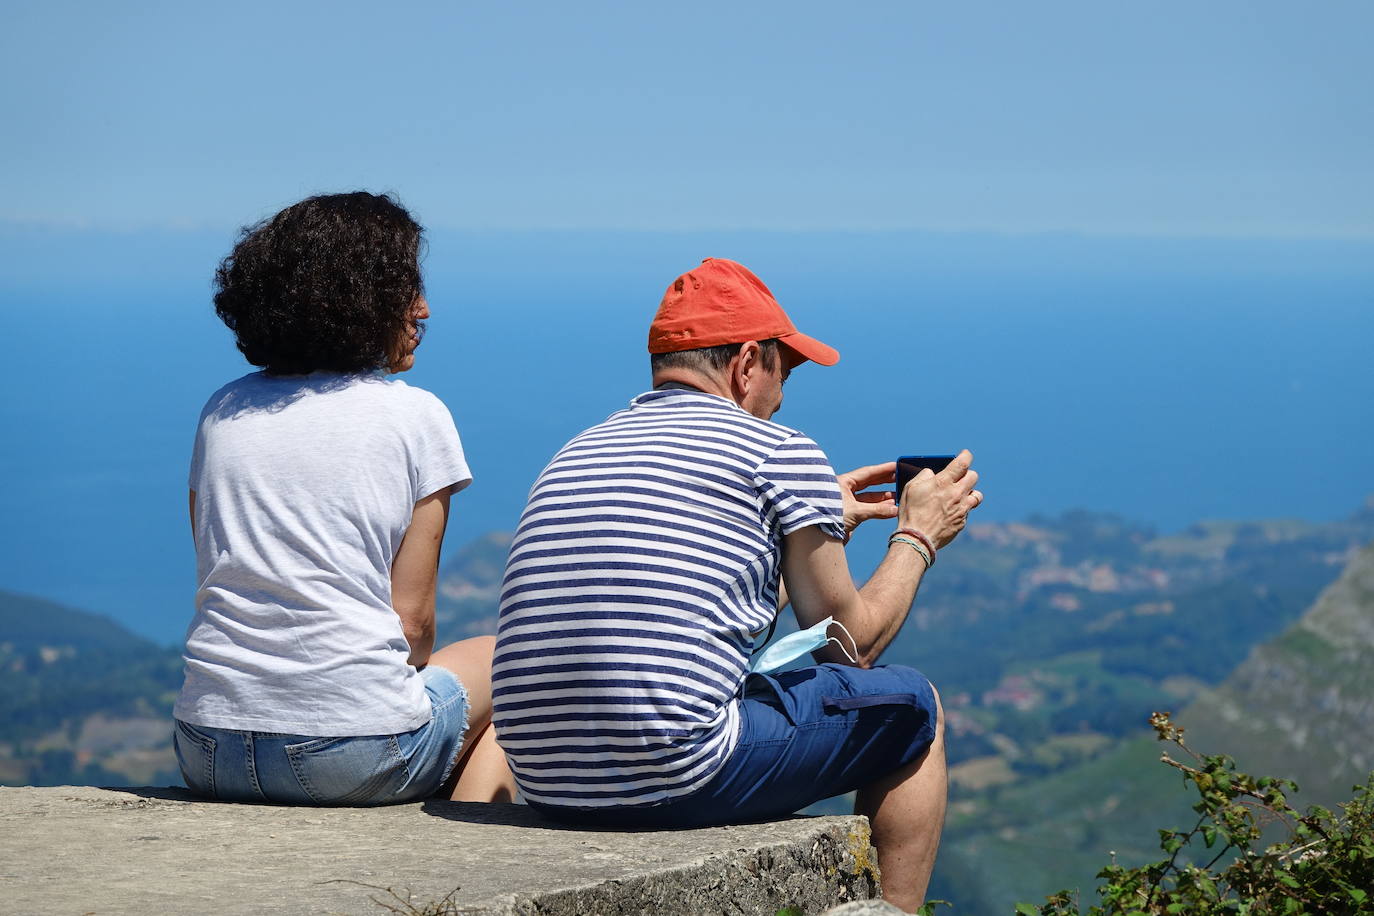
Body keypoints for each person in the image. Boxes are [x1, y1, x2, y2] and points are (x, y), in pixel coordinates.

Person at [491, 257, 983, 911]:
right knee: (914, 707)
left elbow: (705, 611)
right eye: (786, 369)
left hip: (548, 779)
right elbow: (850, 647)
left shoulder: (576, 450)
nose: (784, 395)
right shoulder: (777, 450)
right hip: (675, 772)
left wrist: (796, 539)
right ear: (748, 363)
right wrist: (918, 537)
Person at [174, 192, 514, 806]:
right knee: (509, 665)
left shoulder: (221, 410)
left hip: (206, 745)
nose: (424, 309)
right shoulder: (416, 416)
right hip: (349, 753)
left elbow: (215, 566)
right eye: (406, 290)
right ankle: (462, 861)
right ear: (358, 302)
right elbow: (413, 627)